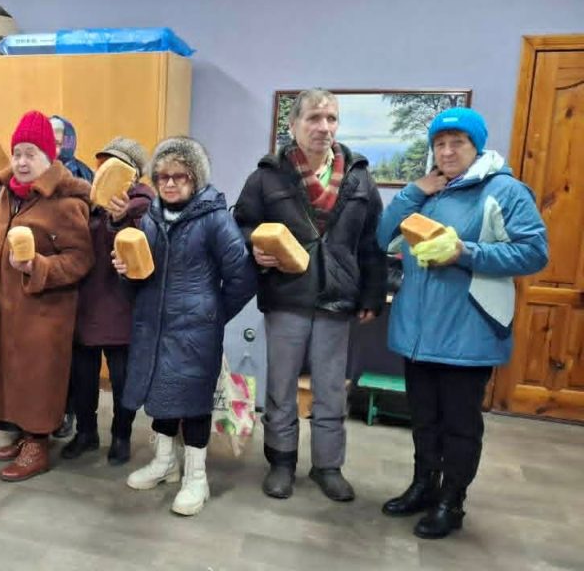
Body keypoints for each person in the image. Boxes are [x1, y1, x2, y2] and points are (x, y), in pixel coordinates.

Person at [376, 107, 548, 539]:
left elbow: (534, 252)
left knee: (459, 423)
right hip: (418, 330)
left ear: (477, 146)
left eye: (458, 143)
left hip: (468, 330)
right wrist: (414, 190)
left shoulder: (504, 191)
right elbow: (383, 237)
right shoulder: (429, 189)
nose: (448, 151)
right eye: (440, 143)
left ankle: (452, 501)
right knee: (423, 418)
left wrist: (465, 253)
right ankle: (423, 486)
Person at [234, 88, 387, 502]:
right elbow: (241, 226)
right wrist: (256, 248)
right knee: (281, 387)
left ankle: (328, 466)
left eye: (331, 119)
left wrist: (373, 295)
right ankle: (281, 463)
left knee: (331, 388)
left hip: (338, 299)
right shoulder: (267, 175)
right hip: (286, 296)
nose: (324, 127)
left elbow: (372, 242)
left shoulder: (358, 176)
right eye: (314, 118)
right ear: (293, 125)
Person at [117, 136, 257, 516]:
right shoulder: (149, 218)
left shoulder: (215, 219)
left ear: (195, 179)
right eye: (162, 176)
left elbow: (243, 278)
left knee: (194, 404)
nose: (170, 183)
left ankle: (197, 477)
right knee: (160, 395)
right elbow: (139, 278)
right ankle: (165, 463)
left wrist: (211, 315)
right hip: (153, 326)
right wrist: (126, 271)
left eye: (179, 175)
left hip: (196, 331)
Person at [0, 110, 94, 482]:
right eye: (17, 153)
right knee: (13, 372)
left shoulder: (65, 202)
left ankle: (38, 442)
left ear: (49, 157)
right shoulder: (8, 195)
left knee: (39, 376)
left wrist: (37, 267)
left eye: (31, 154)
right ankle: (25, 436)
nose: (22, 162)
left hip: (44, 309)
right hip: (5, 303)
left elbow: (80, 260)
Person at [60, 137, 152, 466]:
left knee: (122, 381)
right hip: (86, 304)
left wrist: (117, 221)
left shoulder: (143, 206)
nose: (103, 171)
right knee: (83, 379)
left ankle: (121, 435)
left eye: (113, 165)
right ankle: (86, 432)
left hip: (123, 308)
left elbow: (136, 249)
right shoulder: (89, 203)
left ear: (134, 175)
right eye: (102, 164)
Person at [49, 114, 94, 438]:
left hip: (73, 278)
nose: (53, 142)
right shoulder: (29, 174)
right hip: (37, 277)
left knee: (72, 356)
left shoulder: (83, 175)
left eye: (58, 136)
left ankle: (69, 413)